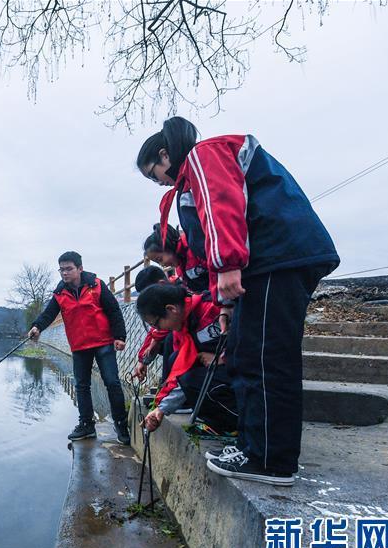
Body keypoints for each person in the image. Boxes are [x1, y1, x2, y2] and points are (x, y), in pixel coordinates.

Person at [136, 116, 339, 486]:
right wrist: (225, 304)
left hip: (275, 258)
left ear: (165, 154)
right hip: (260, 266)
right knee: (247, 355)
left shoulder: (203, 155)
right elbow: (209, 234)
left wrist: (228, 265)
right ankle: (252, 447)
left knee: (266, 358)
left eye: (155, 174)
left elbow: (222, 207)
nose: (160, 183)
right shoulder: (191, 177)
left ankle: (270, 459)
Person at [28, 251, 130, 444]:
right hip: (79, 345)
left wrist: (119, 336)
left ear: (80, 269)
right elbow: (49, 314)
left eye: (69, 269)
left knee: (112, 382)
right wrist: (36, 326)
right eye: (61, 270)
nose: (65, 273)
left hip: (103, 343)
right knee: (81, 386)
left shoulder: (97, 285)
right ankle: (86, 425)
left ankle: (121, 424)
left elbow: (113, 310)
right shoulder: (59, 294)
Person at [135, 283, 237, 436]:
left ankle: (247, 427)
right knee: (179, 363)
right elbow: (180, 371)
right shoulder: (182, 331)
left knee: (193, 378)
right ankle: (225, 426)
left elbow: (257, 339)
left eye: (156, 324)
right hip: (231, 372)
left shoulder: (213, 308)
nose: (159, 330)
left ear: (171, 309)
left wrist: (225, 358)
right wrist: (160, 409)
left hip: (253, 373)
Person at [142, 224, 209, 293]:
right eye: (158, 263)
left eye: (160, 259)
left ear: (168, 246)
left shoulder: (196, 248)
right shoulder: (180, 269)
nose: (162, 264)